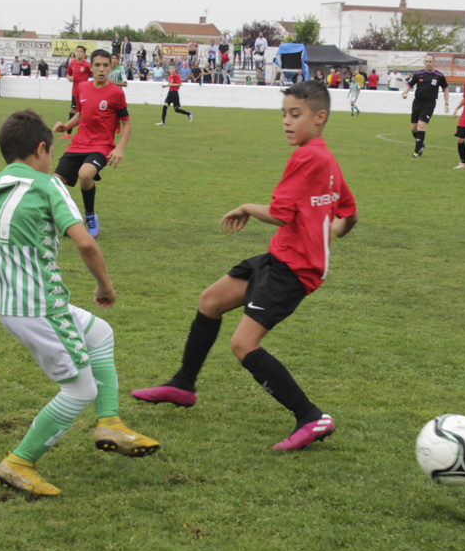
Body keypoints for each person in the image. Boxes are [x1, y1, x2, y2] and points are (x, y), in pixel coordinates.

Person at [131, 80, 358, 451]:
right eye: (283, 114)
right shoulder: (326, 158)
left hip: (293, 269)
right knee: (211, 301)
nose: (286, 122)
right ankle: (183, 384)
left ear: (320, 117)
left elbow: (282, 213)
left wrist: (246, 207)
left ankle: (311, 416)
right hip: (282, 256)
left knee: (243, 344)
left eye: (295, 114)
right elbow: (349, 212)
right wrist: (328, 232)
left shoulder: (306, 157)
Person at [0, 109, 159, 496]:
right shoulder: (48, 185)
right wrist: (105, 287)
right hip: (40, 307)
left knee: (100, 334)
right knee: (80, 390)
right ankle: (19, 463)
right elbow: (84, 242)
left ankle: (109, 422)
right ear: (42, 149)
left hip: (13, 307)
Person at [52, 49, 131, 239]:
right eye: (97, 65)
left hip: (101, 146)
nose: (101, 69)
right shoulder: (83, 88)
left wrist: (119, 148)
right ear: (91, 67)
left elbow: (126, 123)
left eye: (105, 65)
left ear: (111, 67)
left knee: (85, 175)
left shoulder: (116, 93)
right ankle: (69, 220)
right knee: (54, 184)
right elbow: (81, 113)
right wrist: (66, 126)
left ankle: (90, 215)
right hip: (78, 144)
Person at [402, 54, 450, 158]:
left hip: (429, 103)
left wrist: (446, 103)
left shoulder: (439, 76)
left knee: (421, 126)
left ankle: (416, 151)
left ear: (434, 62)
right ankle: (421, 144)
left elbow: (446, 88)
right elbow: (409, 84)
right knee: (413, 128)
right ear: (424, 62)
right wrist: (404, 92)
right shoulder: (418, 74)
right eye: (426, 61)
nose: (428, 63)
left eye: (430, 61)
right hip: (417, 102)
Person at [64, 45, 91, 138]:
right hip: (75, 91)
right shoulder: (72, 63)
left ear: (84, 54)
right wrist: (69, 78)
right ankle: (69, 133)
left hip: (84, 92)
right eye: (77, 51)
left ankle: (72, 133)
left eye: (81, 51)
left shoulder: (87, 65)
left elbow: (95, 74)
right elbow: (67, 74)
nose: (79, 53)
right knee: (74, 110)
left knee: (81, 111)